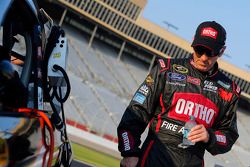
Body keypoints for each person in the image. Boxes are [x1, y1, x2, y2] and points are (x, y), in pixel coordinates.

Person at [117, 21, 240, 167]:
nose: (204, 58)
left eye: (211, 52)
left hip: (193, 161)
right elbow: (136, 113)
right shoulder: (166, 70)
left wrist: (209, 136)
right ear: (193, 43)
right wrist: (129, 153)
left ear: (222, 51)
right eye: (200, 50)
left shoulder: (229, 90)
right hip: (155, 157)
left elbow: (228, 136)